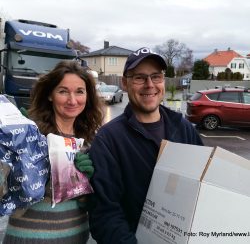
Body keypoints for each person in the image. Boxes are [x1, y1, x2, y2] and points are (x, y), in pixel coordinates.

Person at [88, 47, 203, 244]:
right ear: (125, 83)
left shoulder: (183, 128)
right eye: (139, 78)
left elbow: (203, 184)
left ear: (163, 81)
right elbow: (105, 216)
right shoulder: (108, 140)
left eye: (156, 77)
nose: (150, 85)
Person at [3, 60, 104, 244]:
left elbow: (89, 204)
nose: (72, 100)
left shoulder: (90, 141)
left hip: (75, 237)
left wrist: (85, 183)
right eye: (63, 91)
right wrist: (15, 147)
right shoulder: (31, 134)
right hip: (29, 238)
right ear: (50, 95)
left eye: (79, 92)